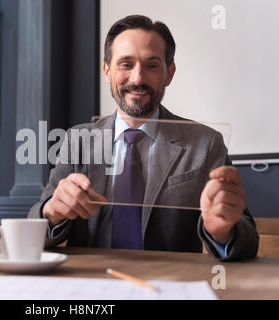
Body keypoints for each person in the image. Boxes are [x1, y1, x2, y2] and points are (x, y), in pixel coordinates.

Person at [28, 15, 259, 261]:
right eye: (126, 64)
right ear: (107, 71)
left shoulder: (205, 143)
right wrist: (52, 212)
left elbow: (247, 241)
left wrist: (222, 231)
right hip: (91, 283)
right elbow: (34, 232)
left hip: (168, 287)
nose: (137, 79)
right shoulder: (78, 139)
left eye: (151, 65)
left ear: (169, 73)